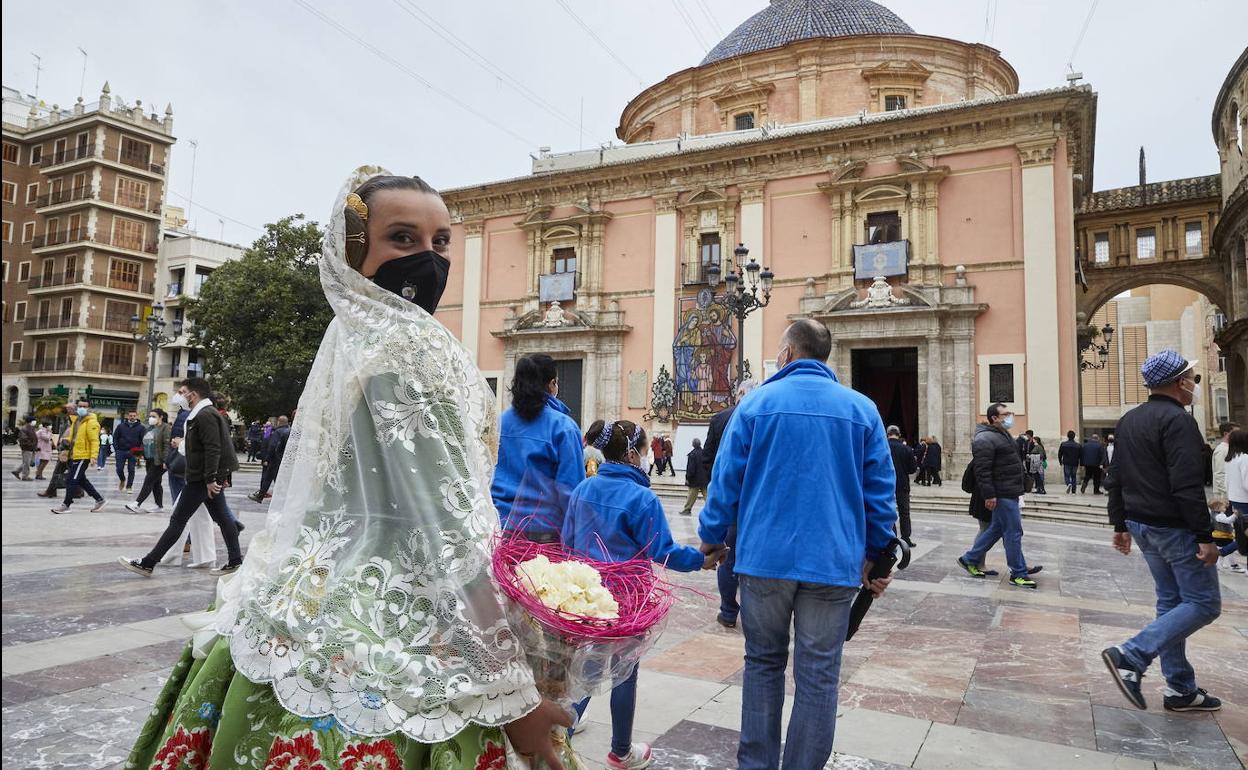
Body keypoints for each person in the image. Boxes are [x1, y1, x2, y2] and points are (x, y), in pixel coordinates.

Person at [122, 169, 572, 769]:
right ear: (353, 252)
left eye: (441, 242)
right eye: (404, 239)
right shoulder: (414, 346)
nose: (429, 259)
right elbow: (446, 527)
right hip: (399, 635)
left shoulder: (350, 334)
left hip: (296, 604)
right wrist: (515, 693)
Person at [699, 319, 895, 770]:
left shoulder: (755, 406)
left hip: (764, 560)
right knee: (819, 675)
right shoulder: (862, 410)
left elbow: (725, 481)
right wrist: (876, 551)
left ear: (787, 354)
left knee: (763, 663)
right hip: (833, 562)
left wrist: (712, 538)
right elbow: (880, 494)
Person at [562, 418, 713, 769]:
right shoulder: (642, 498)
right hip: (629, 599)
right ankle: (620, 751)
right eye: (644, 451)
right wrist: (700, 560)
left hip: (587, 595)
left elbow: (568, 542)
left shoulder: (583, 489)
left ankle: (562, 735)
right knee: (624, 672)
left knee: (589, 669)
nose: (645, 457)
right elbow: (664, 551)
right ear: (632, 454)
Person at [1102, 350, 1223, 713]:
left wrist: (1120, 524)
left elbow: (1116, 478)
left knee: (1170, 603)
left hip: (1142, 524)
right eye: (1192, 378)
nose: (1194, 385)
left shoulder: (1129, 420)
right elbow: (1186, 484)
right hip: (1174, 527)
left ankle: (1180, 689)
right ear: (1177, 382)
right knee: (1203, 604)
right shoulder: (1178, 421)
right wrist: (1206, 535)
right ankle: (1131, 654)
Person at [118, 378, 242, 578]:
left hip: (201, 478)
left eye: (183, 391)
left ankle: (148, 563)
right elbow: (216, 446)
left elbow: (214, 448)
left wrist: (212, 478)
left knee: (178, 519)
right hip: (205, 476)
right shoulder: (204, 413)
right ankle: (236, 559)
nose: (180, 395)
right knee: (221, 517)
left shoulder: (205, 415)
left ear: (193, 394)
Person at [490, 353, 584, 541]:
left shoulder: (499, 423)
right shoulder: (564, 427)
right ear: (551, 385)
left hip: (499, 526)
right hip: (542, 532)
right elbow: (570, 490)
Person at [956, 403, 1042, 587]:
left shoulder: (1002, 435)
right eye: (1006, 414)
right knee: (1013, 532)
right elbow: (982, 470)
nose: (1010, 416)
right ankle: (1018, 573)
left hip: (1010, 490)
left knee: (996, 529)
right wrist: (989, 495)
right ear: (994, 418)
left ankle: (969, 558)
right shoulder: (985, 439)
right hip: (1001, 492)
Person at [702, 378, 760, 629]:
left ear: (738, 395)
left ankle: (727, 612)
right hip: (757, 503)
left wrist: (712, 502)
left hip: (730, 503)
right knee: (755, 560)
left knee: (727, 558)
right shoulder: (764, 414)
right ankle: (753, 614)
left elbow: (710, 459)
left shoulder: (720, 418)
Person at [50, 399, 106, 514]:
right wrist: (65, 443)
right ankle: (100, 500)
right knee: (81, 480)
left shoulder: (92, 422)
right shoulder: (77, 421)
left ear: (89, 408)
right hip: (73, 454)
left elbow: (94, 441)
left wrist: (93, 456)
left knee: (72, 480)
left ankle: (66, 505)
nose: (82, 408)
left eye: (84, 406)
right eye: (80, 406)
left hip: (83, 456)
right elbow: (74, 437)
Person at [125, 409, 171, 513]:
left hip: (159, 460)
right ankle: (159, 506)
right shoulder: (150, 428)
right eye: (150, 416)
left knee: (148, 481)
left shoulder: (166, 428)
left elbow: (167, 444)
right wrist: (140, 453)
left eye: (154, 416)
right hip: (149, 459)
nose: (151, 418)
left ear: (161, 417)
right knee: (156, 483)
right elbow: (145, 443)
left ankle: (137, 504)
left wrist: (165, 460)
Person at [1221, 428, 1248, 571]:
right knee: (1244, 536)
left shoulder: (1230, 459)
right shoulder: (1245, 458)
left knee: (1242, 535)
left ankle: (1222, 552)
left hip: (1235, 500)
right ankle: (1221, 552)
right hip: (1245, 501)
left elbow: (1227, 482)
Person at [248, 415, 291, 503]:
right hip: (284, 460)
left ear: (279, 422)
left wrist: (267, 458)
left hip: (275, 459)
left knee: (269, 478)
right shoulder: (289, 431)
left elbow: (272, 445)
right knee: (273, 478)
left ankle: (262, 496)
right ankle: (261, 495)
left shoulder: (277, 432)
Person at [887, 425, 918, 547]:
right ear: (899, 434)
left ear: (887, 434)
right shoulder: (907, 449)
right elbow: (912, 469)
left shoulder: (883, 447)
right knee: (904, 512)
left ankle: (891, 536)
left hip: (886, 484)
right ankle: (905, 538)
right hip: (903, 485)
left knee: (888, 511)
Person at [112, 410, 145, 492]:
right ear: (128, 416)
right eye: (130, 415)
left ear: (137, 416)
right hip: (121, 450)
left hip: (134, 451)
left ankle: (129, 486)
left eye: (134, 415)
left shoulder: (141, 427)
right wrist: (116, 449)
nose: (132, 417)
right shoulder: (121, 426)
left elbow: (143, 440)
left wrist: (139, 452)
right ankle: (122, 479)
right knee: (119, 469)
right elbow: (115, 437)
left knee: (131, 469)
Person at [679, 437, 710, 516]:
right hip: (705, 479)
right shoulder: (704, 453)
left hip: (695, 479)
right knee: (707, 495)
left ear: (693, 445)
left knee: (691, 496)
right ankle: (712, 509)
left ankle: (687, 509)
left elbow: (691, 469)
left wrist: (688, 478)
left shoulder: (692, 454)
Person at [1211, 421, 1239, 505]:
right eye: (1235, 433)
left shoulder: (1229, 448)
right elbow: (1219, 474)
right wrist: (1228, 494)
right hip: (1224, 498)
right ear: (1226, 434)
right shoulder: (1222, 450)